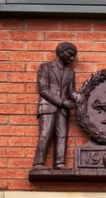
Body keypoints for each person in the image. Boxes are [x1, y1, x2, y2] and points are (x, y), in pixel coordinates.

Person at [33, 42, 78, 170]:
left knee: (62, 135)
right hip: (48, 107)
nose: (72, 58)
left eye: (74, 56)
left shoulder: (70, 73)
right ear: (60, 52)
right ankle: (39, 163)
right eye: (70, 55)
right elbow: (43, 89)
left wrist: (81, 98)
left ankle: (59, 163)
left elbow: (71, 92)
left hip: (63, 111)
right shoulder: (45, 67)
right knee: (45, 134)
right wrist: (64, 102)